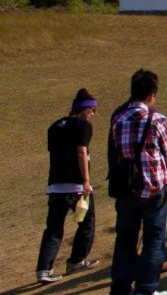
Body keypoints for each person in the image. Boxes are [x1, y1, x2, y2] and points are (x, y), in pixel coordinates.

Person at [108, 69, 167, 295]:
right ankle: (146, 289)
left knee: (125, 239)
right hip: (153, 186)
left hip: (127, 187)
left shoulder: (118, 118)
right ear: (151, 95)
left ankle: (120, 287)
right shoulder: (157, 119)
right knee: (154, 239)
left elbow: (115, 150)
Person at [36, 89, 99, 285]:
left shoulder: (54, 127)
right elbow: (81, 152)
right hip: (76, 187)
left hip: (55, 186)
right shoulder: (83, 125)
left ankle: (44, 269)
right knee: (86, 223)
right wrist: (86, 181)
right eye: (93, 110)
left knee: (53, 228)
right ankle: (76, 260)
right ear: (86, 110)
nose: (93, 114)